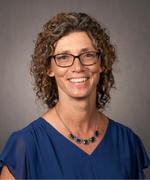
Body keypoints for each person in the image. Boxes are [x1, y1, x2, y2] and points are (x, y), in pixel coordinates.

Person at [0, 12, 150, 179]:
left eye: (88, 55)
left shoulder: (128, 142)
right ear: (49, 68)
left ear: (102, 63)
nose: (78, 67)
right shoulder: (26, 145)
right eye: (64, 57)